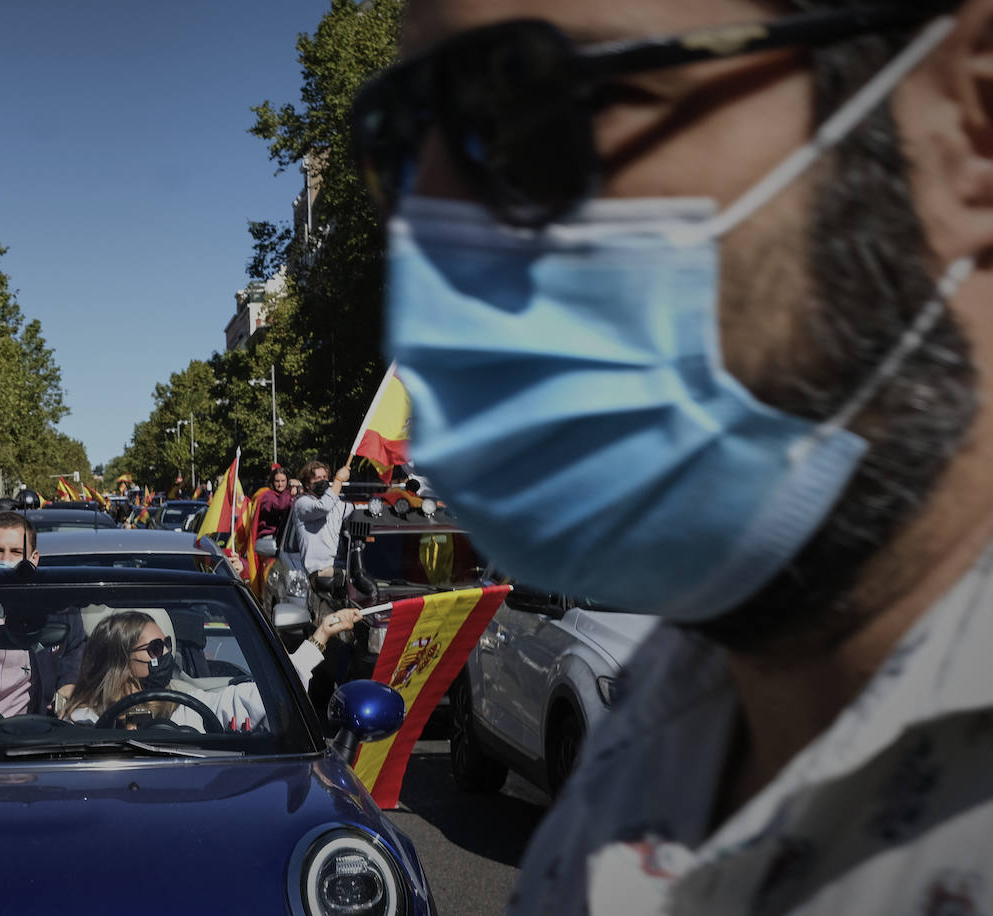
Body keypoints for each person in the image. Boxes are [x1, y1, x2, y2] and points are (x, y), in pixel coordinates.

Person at [369, 1, 993, 912]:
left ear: (968, 124)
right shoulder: (657, 720)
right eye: (398, 142)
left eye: (524, 104)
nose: (430, 235)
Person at [63, 608, 361, 731]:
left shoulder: (186, 707)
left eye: (166, 644)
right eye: (155, 649)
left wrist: (321, 635)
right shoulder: (82, 721)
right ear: (119, 661)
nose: (167, 653)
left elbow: (265, 695)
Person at [0, 510, 87, 717]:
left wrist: (68, 684)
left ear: (34, 558)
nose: (6, 559)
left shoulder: (59, 610)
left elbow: (76, 647)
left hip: (31, 735)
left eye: (16, 552)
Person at [293, 460, 351, 625]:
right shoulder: (303, 504)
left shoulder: (336, 503)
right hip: (320, 577)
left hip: (339, 572)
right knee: (326, 628)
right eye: (317, 478)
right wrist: (339, 481)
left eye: (325, 477)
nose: (322, 481)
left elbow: (350, 512)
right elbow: (323, 507)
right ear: (307, 483)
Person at [255, 466, 295, 544]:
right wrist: (288, 491)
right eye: (277, 481)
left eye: (283, 481)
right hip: (268, 537)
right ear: (272, 482)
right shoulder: (267, 495)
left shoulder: (287, 495)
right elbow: (281, 506)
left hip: (284, 537)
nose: (280, 484)